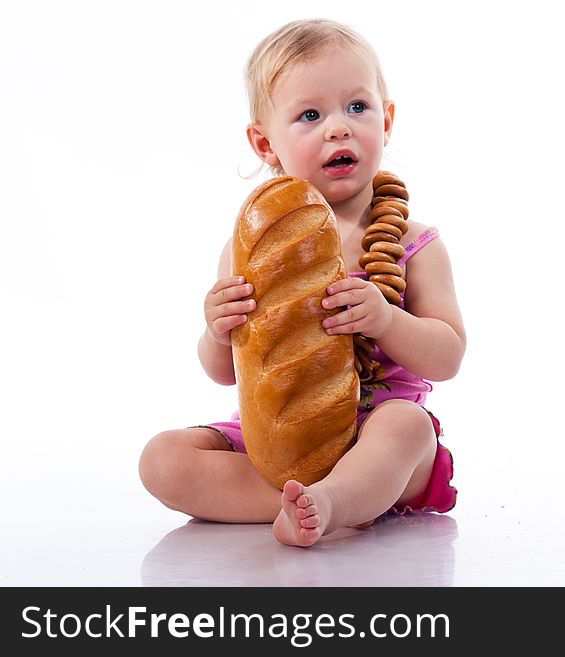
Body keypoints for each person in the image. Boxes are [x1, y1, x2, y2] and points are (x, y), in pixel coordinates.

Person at [139, 19, 466, 547]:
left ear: (387, 120)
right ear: (265, 143)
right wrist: (217, 331)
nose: (338, 127)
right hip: (281, 438)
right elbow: (224, 372)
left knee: (407, 425)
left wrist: (386, 319)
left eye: (357, 107)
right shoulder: (248, 249)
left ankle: (339, 498)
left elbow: (447, 356)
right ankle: (312, 500)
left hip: (377, 433)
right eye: (310, 115)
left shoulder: (414, 243)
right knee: (162, 459)